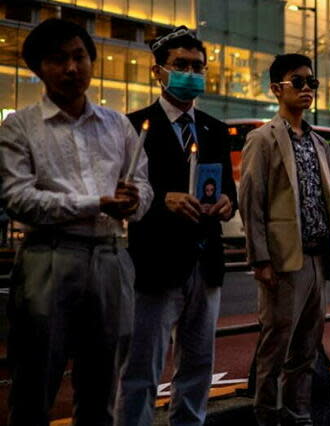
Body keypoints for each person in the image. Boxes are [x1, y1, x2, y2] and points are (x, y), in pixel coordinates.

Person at [0, 19, 153, 425]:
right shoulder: (20, 126)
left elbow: (142, 185)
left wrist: (134, 200)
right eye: (57, 59)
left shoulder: (117, 124)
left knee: (103, 390)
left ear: (91, 60)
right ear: (37, 68)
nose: (72, 68)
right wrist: (98, 202)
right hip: (48, 256)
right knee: (34, 385)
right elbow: (19, 199)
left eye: (79, 56)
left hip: (110, 255)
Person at [116, 26, 237, 426]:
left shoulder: (216, 130)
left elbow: (230, 193)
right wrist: (161, 201)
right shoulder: (133, 127)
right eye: (181, 65)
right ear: (158, 72)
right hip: (154, 262)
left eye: (197, 66)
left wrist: (224, 203)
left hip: (206, 262)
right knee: (142, 367)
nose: (191, 73)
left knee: (199, 362)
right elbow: (121, 196)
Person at [239, 54, 330, 426]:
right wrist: (260, 260)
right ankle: (267, 415)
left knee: (306, 346)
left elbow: (327, 201)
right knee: (276, 345)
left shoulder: (319, 143)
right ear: (276, 89)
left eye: (312, 83)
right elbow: (251, 203)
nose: (307, 88)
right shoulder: (263, 139)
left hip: (318, 258)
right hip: (283, 259)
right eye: (298, 81)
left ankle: (298, 413)